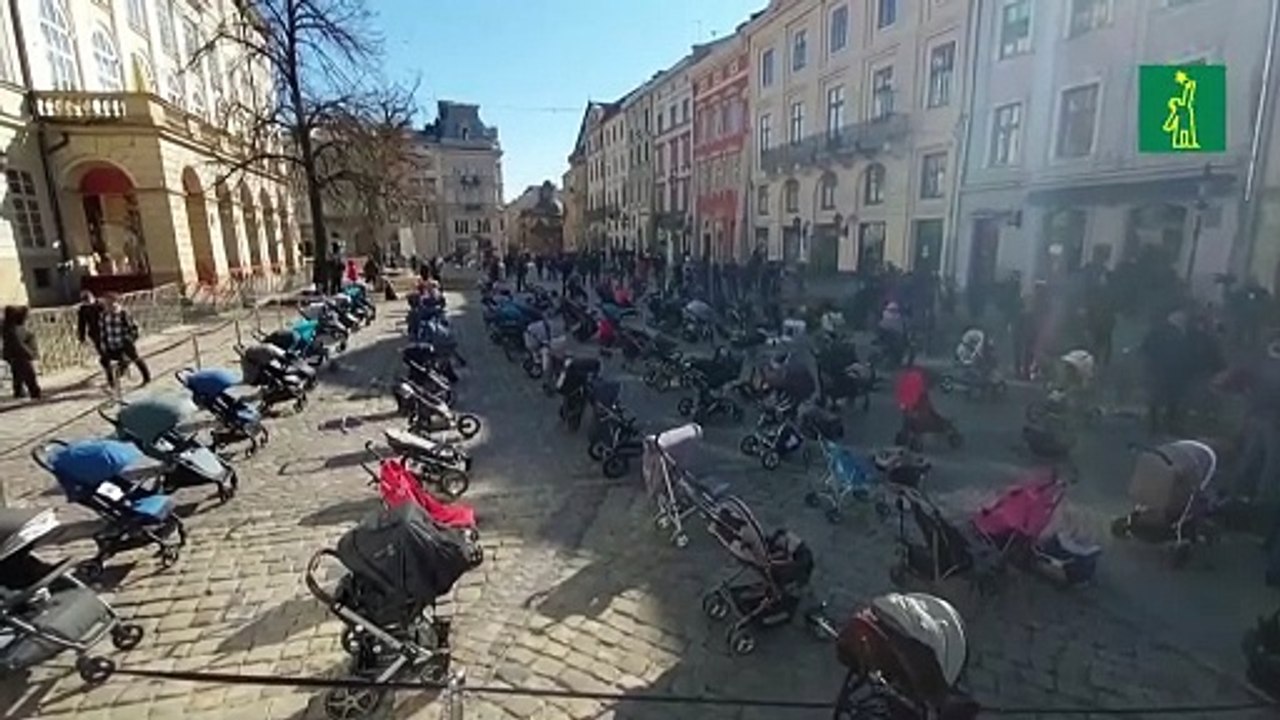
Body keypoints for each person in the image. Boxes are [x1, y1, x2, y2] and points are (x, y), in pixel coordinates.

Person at [99, 292, 151, 390]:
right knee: (104, 361)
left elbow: (134, 329)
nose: (108, 306)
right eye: (106, 304)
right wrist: (103, 343)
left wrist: (129, 339)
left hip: (124, 343)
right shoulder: (104, 315)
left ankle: (146, 377)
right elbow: (103, 330)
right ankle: (112, 382)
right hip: (111, 343)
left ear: (116, 303)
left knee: (135, 358)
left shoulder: (123, 314)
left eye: (111, 303)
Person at [2, 305, 40, 400]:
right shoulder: (12, 329)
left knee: (18, 372)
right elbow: (18, 343)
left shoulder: (9, 327)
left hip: (13, 354)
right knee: (29, 374)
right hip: (19, 354)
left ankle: (19, 391)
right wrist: (29, 353)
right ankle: (34, 392)